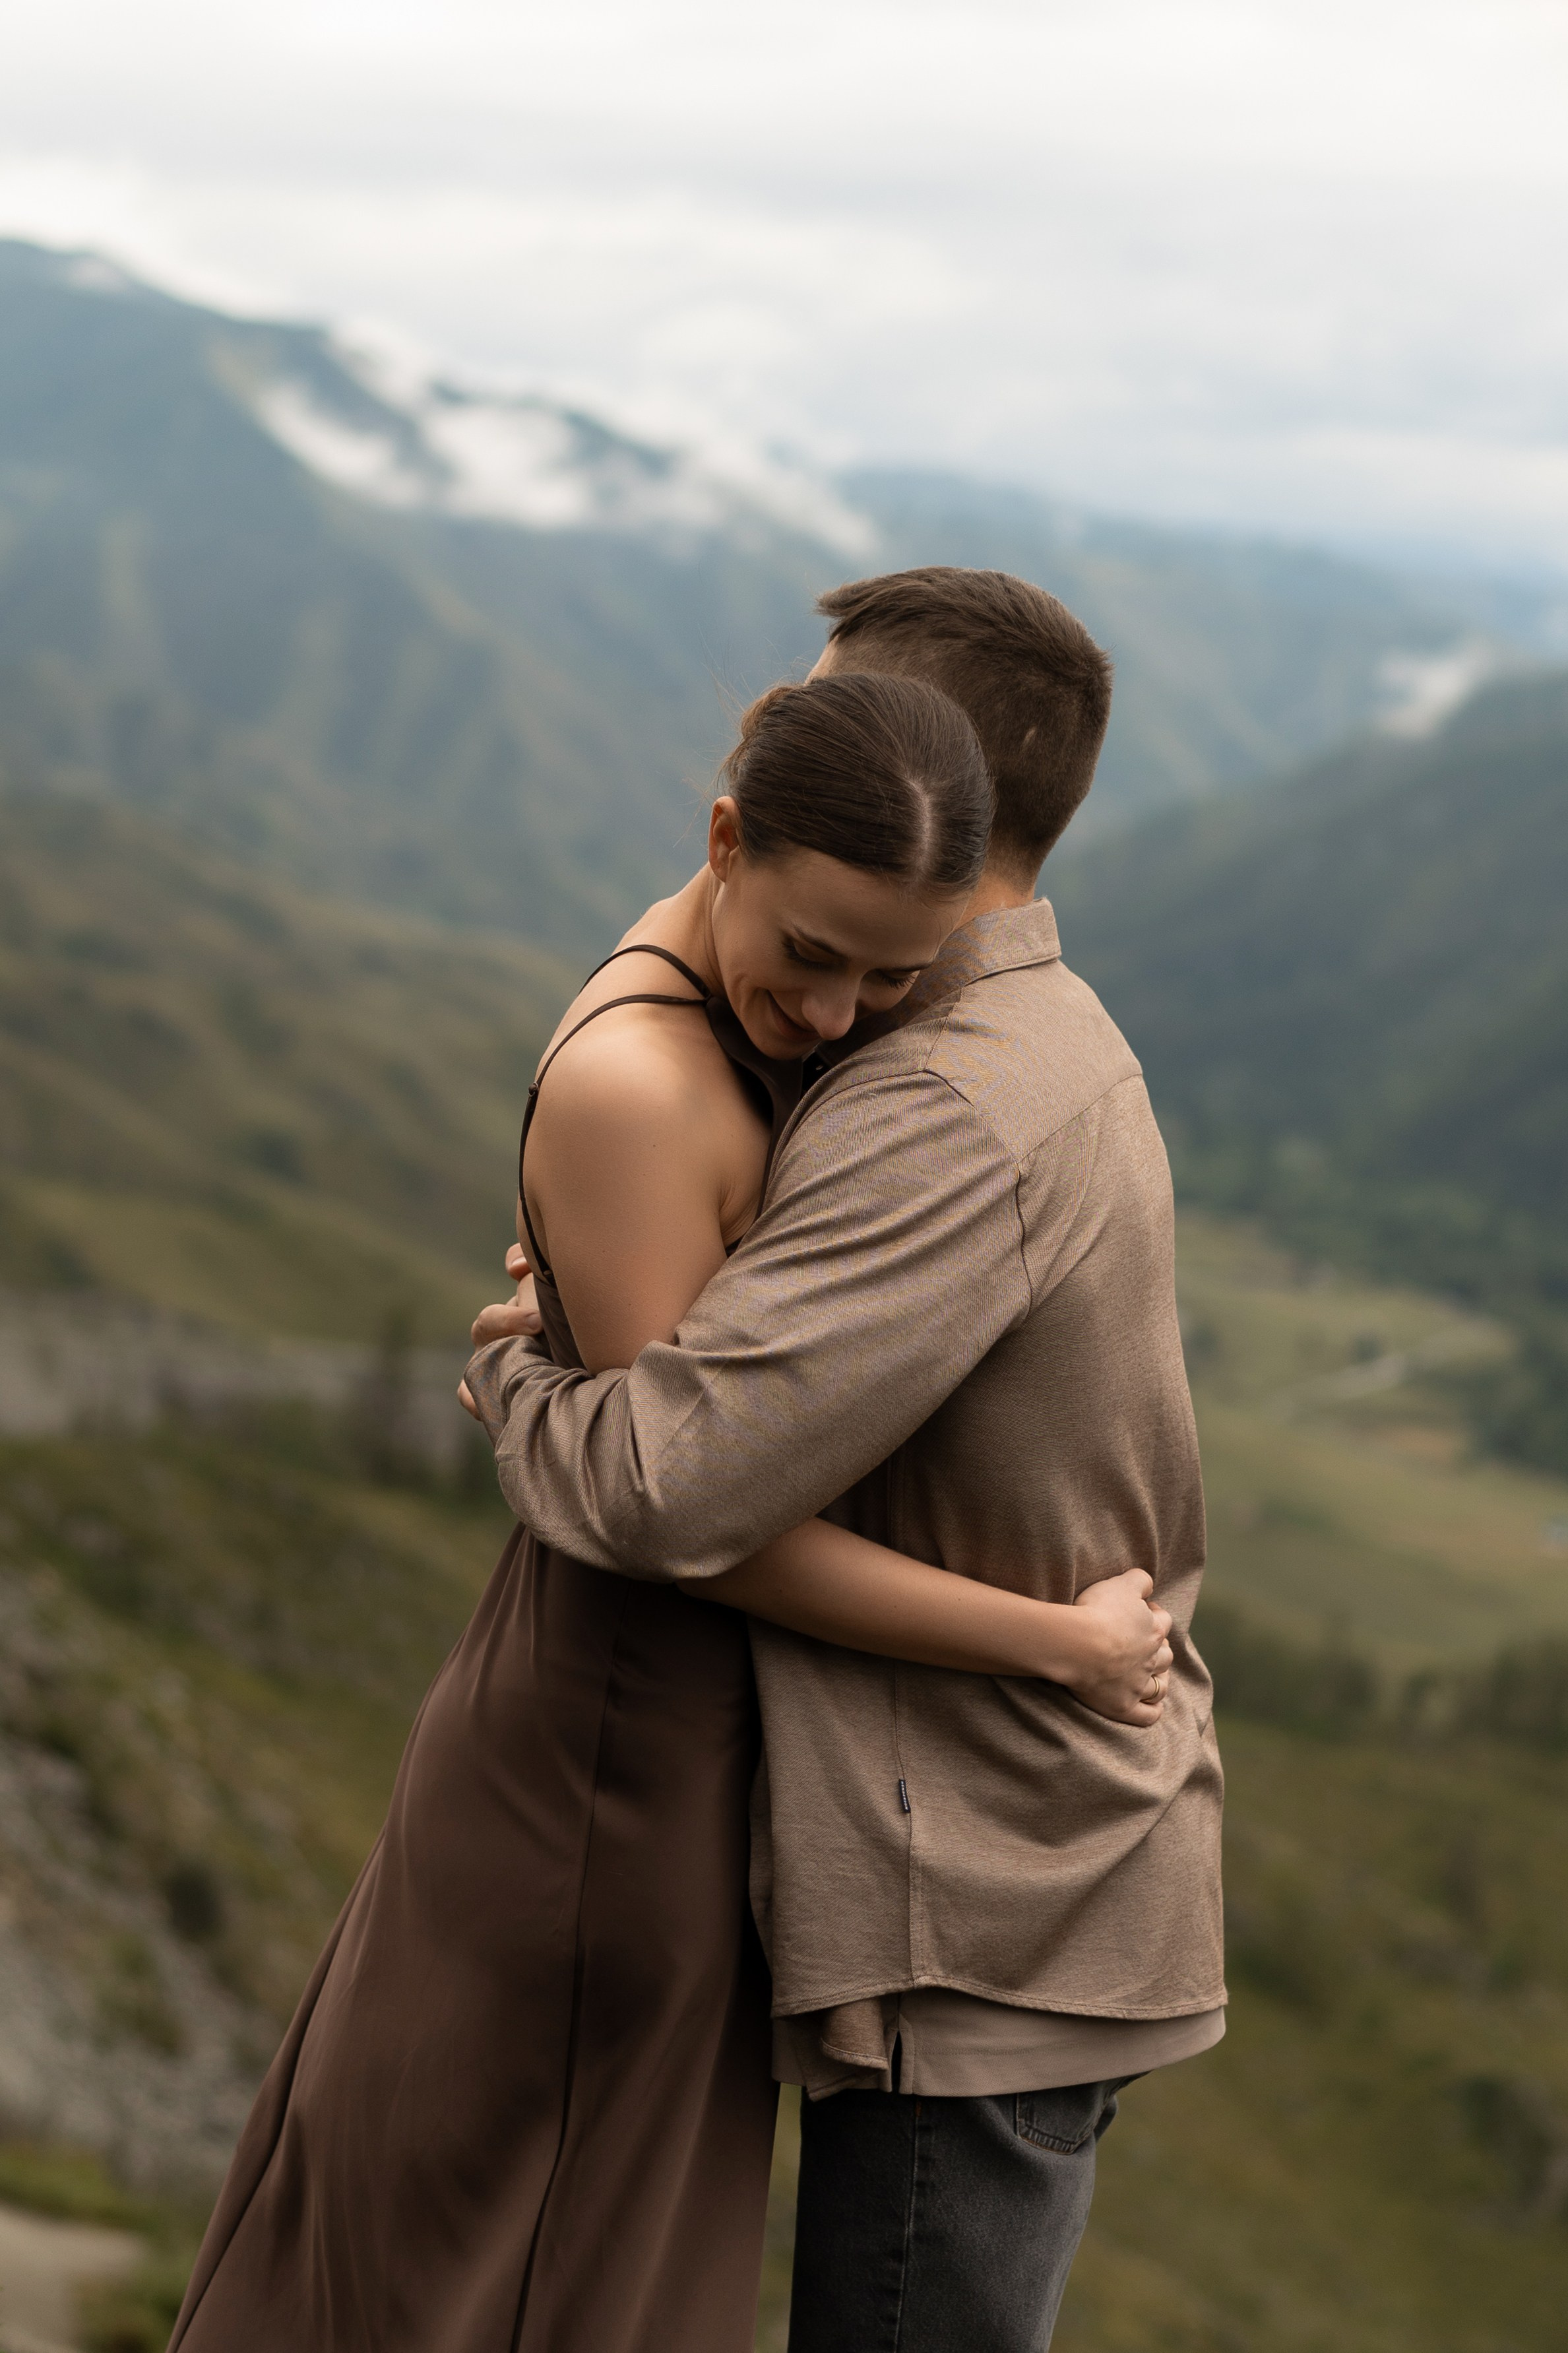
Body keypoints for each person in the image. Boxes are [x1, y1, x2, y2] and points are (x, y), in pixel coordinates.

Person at [169, 666, 1174, 2353]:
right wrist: (1056, 1642)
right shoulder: (646, 1084)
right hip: (618, 1755)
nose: (840, 1015)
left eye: (896, 977)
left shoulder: (719, 937)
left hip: (692, 1749)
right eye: (811, 956)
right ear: (724, 841)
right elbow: (691, 1523)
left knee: (559, 2249)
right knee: (528, 2260)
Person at [464, 567, 1226, 2353]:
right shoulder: (949, 1041)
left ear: (931, 783)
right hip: (981, 1859)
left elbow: (667, 1483)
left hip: (981, 1892)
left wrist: (522, 1371)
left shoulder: (948, 1102)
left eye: (831, 710)